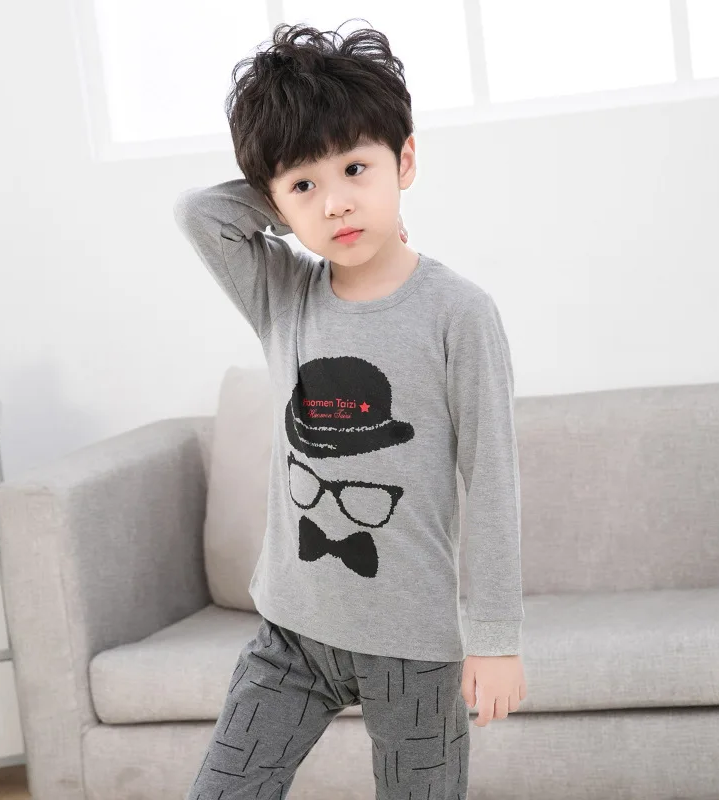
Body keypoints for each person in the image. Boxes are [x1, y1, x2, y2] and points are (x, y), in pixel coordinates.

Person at [173, 20, 526, 800]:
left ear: (406, 161)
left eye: (356, 169)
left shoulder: (459, 313)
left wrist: (496, 637)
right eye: (305, 186)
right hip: (292, 636)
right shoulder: (280, 292)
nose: (336, 203)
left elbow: (494, 480)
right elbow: (198, 212)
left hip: (414, 645)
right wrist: (283, 190)